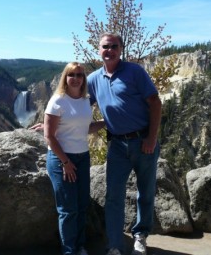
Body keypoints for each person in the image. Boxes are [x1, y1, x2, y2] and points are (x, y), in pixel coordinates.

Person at [87, 33, 162, 255]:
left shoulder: (135, 72)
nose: (109, 50)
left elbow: (155, 103)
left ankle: (140, 235)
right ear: (98, 50)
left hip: (143, 141)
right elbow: (79, 108)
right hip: (117, 145)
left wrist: (151, 138)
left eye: (113, 46)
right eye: (105, 46)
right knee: (113, 196)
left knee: (145, 191)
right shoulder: (93, 79)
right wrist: (51, 122)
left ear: (121, 49)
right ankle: (115, 245)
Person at [38, 62, 105, 255]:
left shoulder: (85, 100)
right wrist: (65, 162)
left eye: (80, 75)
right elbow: (49, 136)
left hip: (83, 157)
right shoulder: (57, 101)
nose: (76, 79)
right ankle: (69, 250)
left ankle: (80, 246)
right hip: (61, 160)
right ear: (65, 78)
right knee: (68, 209)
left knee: (82, 205)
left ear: (84, 79)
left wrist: (105, 122)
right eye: (71, 75)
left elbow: (85, 128)